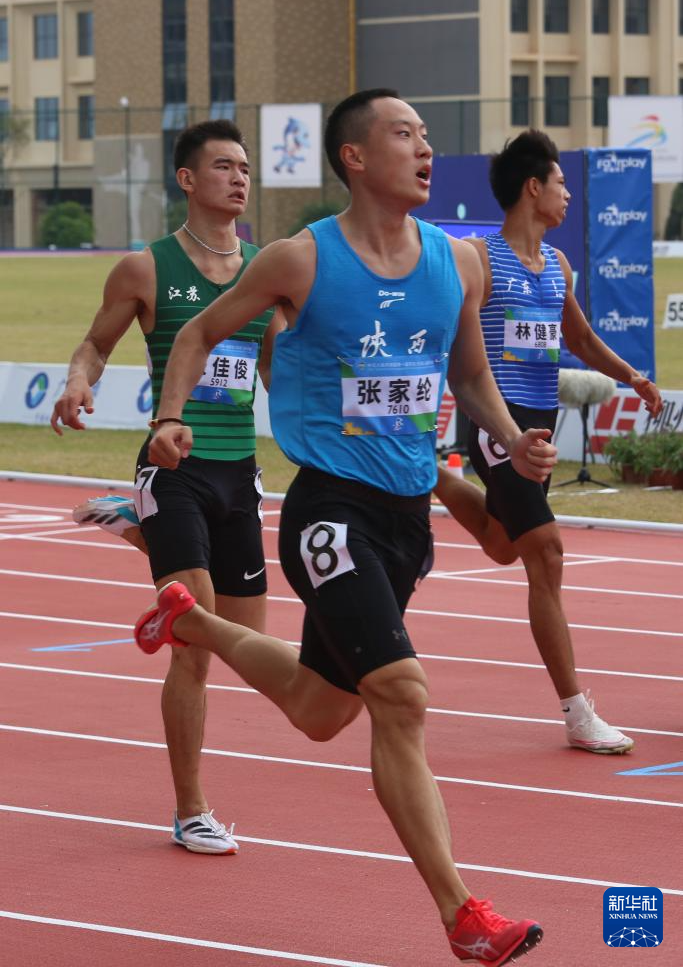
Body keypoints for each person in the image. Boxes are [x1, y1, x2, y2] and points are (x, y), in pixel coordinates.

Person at [134, 89, 553, 965]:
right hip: (330, 510)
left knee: (319, 710)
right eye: (404, 134)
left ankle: (190, 621)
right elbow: (199, 333)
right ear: (355, 158)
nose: (425, 148)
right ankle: (461, 916)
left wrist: (513, 445)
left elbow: (470, 381)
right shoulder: (299, 259)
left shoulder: (455, 264)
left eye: (427, 136)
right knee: (400, 696)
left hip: (407, 517)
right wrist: (167, 418)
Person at [51, 119, 283, 854]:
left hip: (238, 472)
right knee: (195, 647)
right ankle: (190, 811)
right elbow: (96, 343)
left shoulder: (263, 269)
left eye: (245, 167)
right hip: (172, 465)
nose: (239, 178)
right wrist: (76, 383)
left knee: (247, 639)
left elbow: (277, 370)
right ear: (187, 179)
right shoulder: (145, 269)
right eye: (223, 166)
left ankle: (134, 528)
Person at [434, 128, 663, 755]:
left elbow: (581, 341)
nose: (567, 194)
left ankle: (429, 476)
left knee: (507, 543)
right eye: (560, 183)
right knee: (548, 553)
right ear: (532, 188)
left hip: (539, 422)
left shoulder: (557, 266)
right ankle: (576, 711)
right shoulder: (477, 257)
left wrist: (633, 377)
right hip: (497, 423)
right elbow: (450, 340)